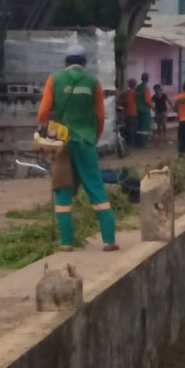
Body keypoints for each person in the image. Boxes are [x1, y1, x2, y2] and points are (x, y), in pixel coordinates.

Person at [37, 45, 119, 252]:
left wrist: (48, 134)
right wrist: (93, 137)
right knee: (96, 189)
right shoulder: (93, 83)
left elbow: (43, 113)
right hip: (86, 143)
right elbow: (100, 116)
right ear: (84, 63)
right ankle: (109, 240)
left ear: (66, 62)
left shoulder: (54, 79)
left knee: (63, 189)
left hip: (62, 145)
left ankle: (66, 243)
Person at [135, 72, 153, 148]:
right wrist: (152, 106)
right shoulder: (146, 89)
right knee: (145, 128)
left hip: (138, 110)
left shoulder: (137, 88)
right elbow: (147, 101)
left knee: (139, 127)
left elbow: (135, 98)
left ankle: (139, 143)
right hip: (145, 110)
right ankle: (144, 144)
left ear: (141, 78)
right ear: (147, 79)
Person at [123, 79, 138, 147]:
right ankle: (134, 142)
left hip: (129, 112)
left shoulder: (130, 92)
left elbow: (127, 101)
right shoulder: (135, 92)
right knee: (133, 128)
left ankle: (129, 143)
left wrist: (121, 102)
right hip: (134, 112)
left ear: (130, 84)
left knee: (129, 129)